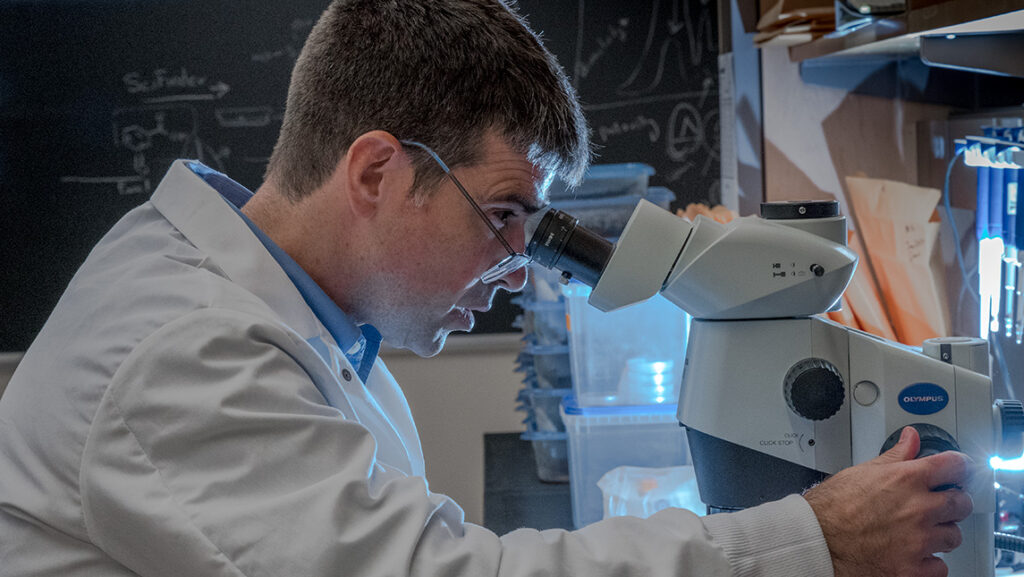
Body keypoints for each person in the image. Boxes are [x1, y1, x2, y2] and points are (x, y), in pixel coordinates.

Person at [0, 1, 972, 576]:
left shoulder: (279, 309)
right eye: (504, 213)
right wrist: (813, 539)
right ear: (377, 172)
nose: (518, 265)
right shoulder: (185, 349)